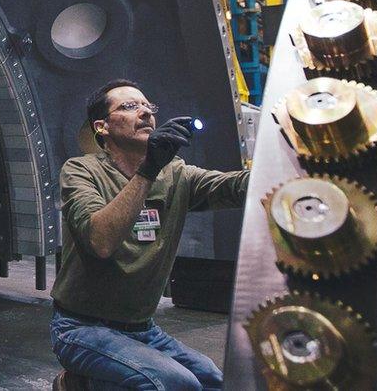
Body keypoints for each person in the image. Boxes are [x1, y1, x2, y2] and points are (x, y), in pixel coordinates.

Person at [50, 79, 249, 390]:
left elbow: (235, 188)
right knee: (176, 384)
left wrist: (290, 161)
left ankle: (90, 382)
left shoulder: (175, 174)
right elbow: (100, 241)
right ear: (101, 127)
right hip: (81, 328)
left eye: (147, 106)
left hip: (142, 329)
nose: (144, 112)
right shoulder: (81, 171)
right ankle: (82, 384)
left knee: (213, 381)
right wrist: (147, 171)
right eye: (129, 107)